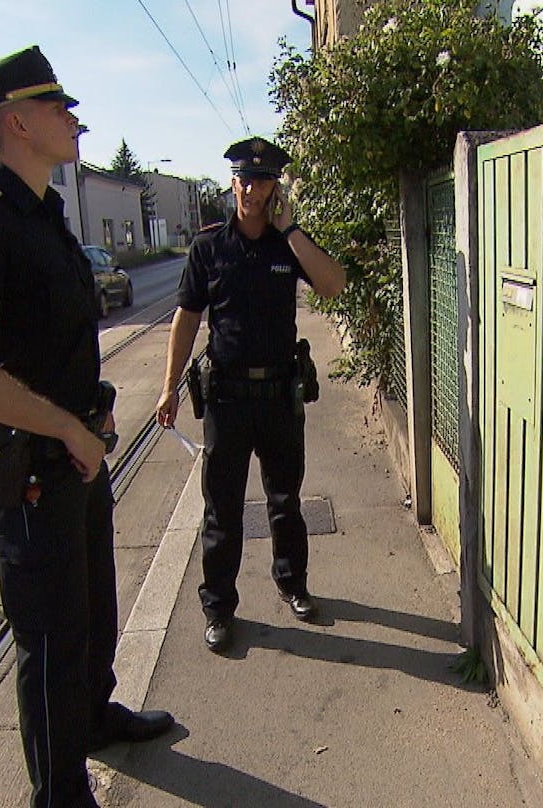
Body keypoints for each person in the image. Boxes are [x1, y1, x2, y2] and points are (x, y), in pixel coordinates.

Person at [0, 45, 172, 807]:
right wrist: (67, 429)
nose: (74, 118)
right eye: (58, 107)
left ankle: (94, 720)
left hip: (74, 455)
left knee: (91, 609)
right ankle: (59, 793)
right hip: (33, 465)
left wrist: (88, 423)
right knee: (46, 634)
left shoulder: (48, 220)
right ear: (16, 122)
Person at [154, 136, 347, 653]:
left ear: (274, 189)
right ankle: (218, 607)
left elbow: (333, 284)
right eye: (245, 179)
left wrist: (291, 229)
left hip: (280, 394)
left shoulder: (288, 244)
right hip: (228, 399)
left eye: (263, 181)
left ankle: (292, 583)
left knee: (285, 499)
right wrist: (169, 385)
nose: (253, 189)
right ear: (232, 183)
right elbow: (187, 318)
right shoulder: (209, 248)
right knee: (223, 507)